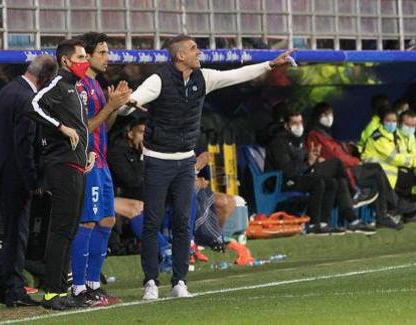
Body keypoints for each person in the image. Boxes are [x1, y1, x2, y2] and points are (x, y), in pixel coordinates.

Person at [120, 34, 293, 300]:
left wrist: (270, 65)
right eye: (193, 49)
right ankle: (151, 282)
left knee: (182, 223)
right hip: (157, 161)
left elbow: (239, 75)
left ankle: (179, 281)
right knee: (152, 223)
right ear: (180, 56)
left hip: (185, 163)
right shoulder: (159, 79)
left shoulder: (204, 78)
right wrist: (126, 104)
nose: (198, 52)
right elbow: (132, 103)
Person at [0, 55, 58, 307]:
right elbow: (23, 144)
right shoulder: (27, 99)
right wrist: (32, 180)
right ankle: (14, 290)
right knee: (17, 234)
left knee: (11, 232)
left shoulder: (8, 89)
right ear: (45, 78)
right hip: (14, 176)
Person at [30, 39, 95, 310]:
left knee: (68, 229)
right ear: (66, 61)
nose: (85, 61)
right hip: (62, 164)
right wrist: (60, 128)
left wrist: (88, 150)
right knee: (60, 230)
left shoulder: (76, 88)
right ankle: (51, 293)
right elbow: (33, 105)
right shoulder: (58, 84)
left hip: (77, 163)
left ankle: (61, 290)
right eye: (80, 56)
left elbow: (79, 126)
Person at [68, 32, 131, 306]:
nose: (107, 58)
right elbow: (83, 130)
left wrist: (115, 107)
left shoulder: (96, 84)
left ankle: (94, 285)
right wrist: (110, 106)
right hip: (87, 161)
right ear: (89, 55)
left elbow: (104, 125)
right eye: (102, 53)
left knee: (107, 221)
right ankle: (78, 287)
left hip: (102, 163)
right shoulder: (79, 86)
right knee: (87, 222)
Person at [306, 102, 401, 229]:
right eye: (325, 114)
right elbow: (336, 156)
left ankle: (384, 212)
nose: (329, 117)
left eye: (331, 114)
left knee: (376, 175)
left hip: (347, 168)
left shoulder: (326, 133)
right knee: (376, 172)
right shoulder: (315, 135)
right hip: (346, 169)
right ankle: (387, 210)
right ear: (318, 116)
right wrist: (356, 161)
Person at [361, 109, 416, 224]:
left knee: (409, 176)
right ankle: (400, 208)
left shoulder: (394, 136)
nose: (392, 124)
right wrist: (410, 161)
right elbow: (394, 158)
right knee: (409, 176)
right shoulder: (379, 137)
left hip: (391, 173)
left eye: (393, 121)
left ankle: (405, 209)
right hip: (375, 173)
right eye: (389, 121)